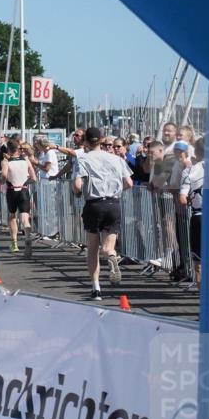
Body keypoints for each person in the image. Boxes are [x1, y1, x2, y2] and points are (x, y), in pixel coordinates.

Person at [73, 127, 133, 301]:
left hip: (94, 204)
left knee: (92, 248)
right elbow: (128, 182)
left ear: (85, 141)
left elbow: (77, 185)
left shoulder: (83, 159)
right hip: (113, 203)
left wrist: (77, 192)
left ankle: (96, 288)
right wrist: (116, 190)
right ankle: (112, 257)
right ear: (101, 140)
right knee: (108, 247)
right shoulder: (116, 159)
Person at [0, 138, 37, 254]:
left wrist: (1, 180)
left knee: (12, 216)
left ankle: (14, 243)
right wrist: (25, 183)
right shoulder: (25, 160)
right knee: (25, 218)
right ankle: (27, 237)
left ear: (8, 149)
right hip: (23, 190)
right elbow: (34, 178)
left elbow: (4, 176)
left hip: (12, 190)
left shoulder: (6, 162)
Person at [179, 137, 204, 286]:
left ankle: (203, 296)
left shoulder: (190, 171)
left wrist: (190, 199)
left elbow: (182, 199)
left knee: (199, 261)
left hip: (199, 217)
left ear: (197, 152)